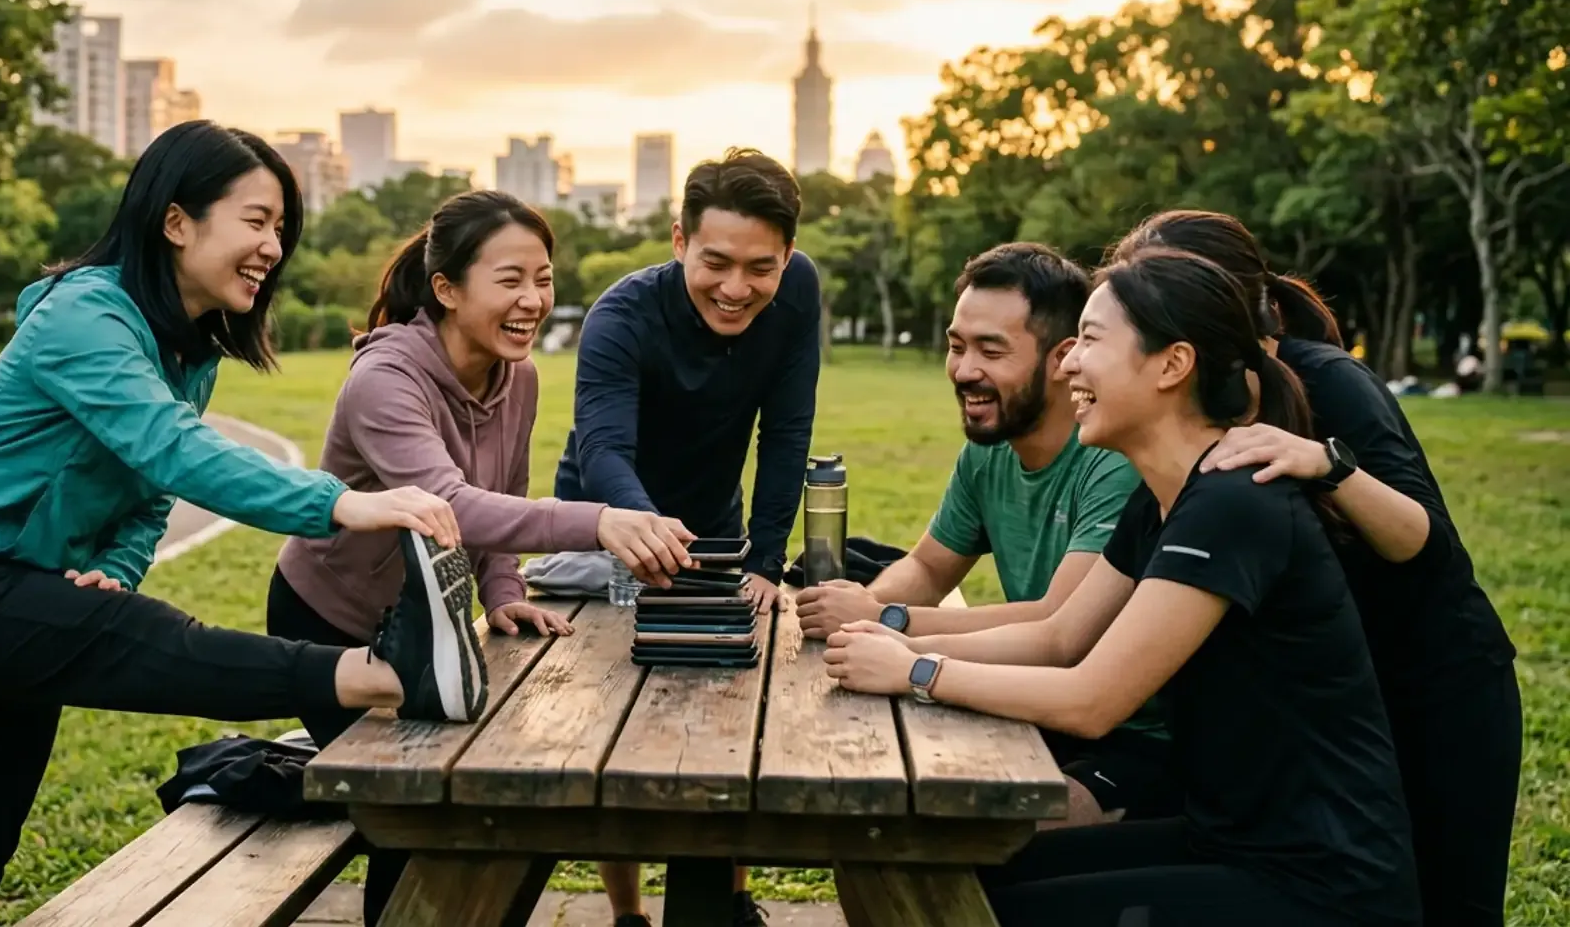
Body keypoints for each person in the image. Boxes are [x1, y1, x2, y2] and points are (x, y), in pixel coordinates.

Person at [0, 120, 470, 927]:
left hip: (26, 594)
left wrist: (113, 570)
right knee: (156, 641)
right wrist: (342, 502)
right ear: (177, 220)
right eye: (255, 221)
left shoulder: (191, 349)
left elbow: (150, 493)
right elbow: (172, 448)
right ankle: (378, 673)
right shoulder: (84, 314)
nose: (273, 247)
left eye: (282, 229)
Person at [824, 248, 1421, 927]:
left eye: (1093, 342)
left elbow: (1093, 701)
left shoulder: (1234, 504)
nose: (1070, 363)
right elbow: (1060, 635)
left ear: (1173, 364)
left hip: (1317, 880)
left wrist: (915, 670)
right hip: (1223, 838)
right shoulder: (1161, 500)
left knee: (986, 911)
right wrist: (890, 624)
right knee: (945, 874)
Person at [269, 189, 696, 927]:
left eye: (545, 278)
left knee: (476, 791)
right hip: (328, 620)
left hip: (430, 622)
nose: (533, 299)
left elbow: (505, 491)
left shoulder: (517, 375)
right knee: (411, 804)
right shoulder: (385, 381)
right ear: (446, 288)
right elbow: (450, 504)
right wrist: (597, 521)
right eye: (510, 280)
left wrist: (501, 591)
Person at [1115, 208, 1520, 926]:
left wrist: (1326, 463)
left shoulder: (1325, 382)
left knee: (1448, 907)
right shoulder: (1197, 415)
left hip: (1431, 690)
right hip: (1327, 704)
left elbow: (1424, 541)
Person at [793, 243, 1168, 828]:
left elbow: (1058, 625)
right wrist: (858, 621)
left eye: (991, 351)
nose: (965, 370)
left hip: (1134, 737)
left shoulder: (1111, 460)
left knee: (962, 829)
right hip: (1029, 703)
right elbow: (927, 568)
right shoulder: (986, 454)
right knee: (869, 799)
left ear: (1062, 358)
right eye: (956, 345)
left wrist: (890, 621)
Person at [553, 147, 822, 927]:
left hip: (717, 524)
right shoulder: (620, 316)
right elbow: (603, 449)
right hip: (607, 521)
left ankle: (728, 904)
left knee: (725, 709)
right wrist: (639, 530)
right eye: (716, 262)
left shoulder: (797, 293)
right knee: (619, 718)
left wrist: (768, 561)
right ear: (679, 241)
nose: (737, 288)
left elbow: (787, 429)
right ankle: (629, 914)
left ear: (788, 259)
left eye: (760, 268)